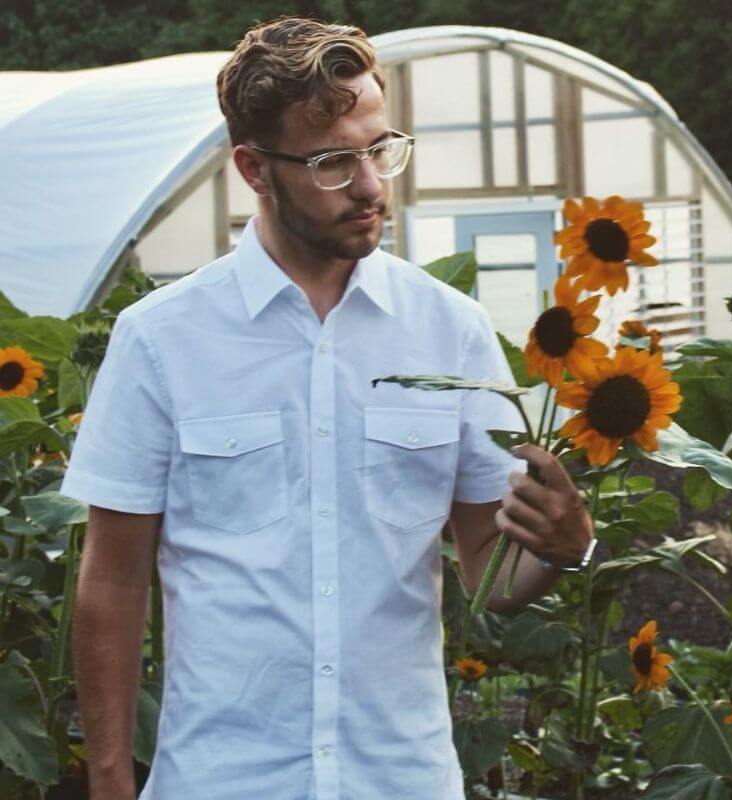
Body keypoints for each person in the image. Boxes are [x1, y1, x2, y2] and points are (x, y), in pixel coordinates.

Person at [62, 16, 594, 800]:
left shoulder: (449, 330)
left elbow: (490, 567)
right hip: (221, 778)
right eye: (332, 162)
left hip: (401, 778)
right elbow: (111, 580)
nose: (372, 185)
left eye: (379, 149)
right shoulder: (161, 340)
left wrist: (566, 547)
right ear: (254, 168)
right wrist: (109, 777)